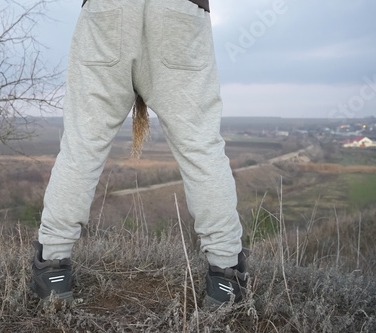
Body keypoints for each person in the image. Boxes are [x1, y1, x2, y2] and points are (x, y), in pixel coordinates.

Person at [31, 0, 249, 308]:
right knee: (201, 148)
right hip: (180, 11)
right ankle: (227, 274)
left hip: (108, 10)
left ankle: (52, 267)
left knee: (81, 146)